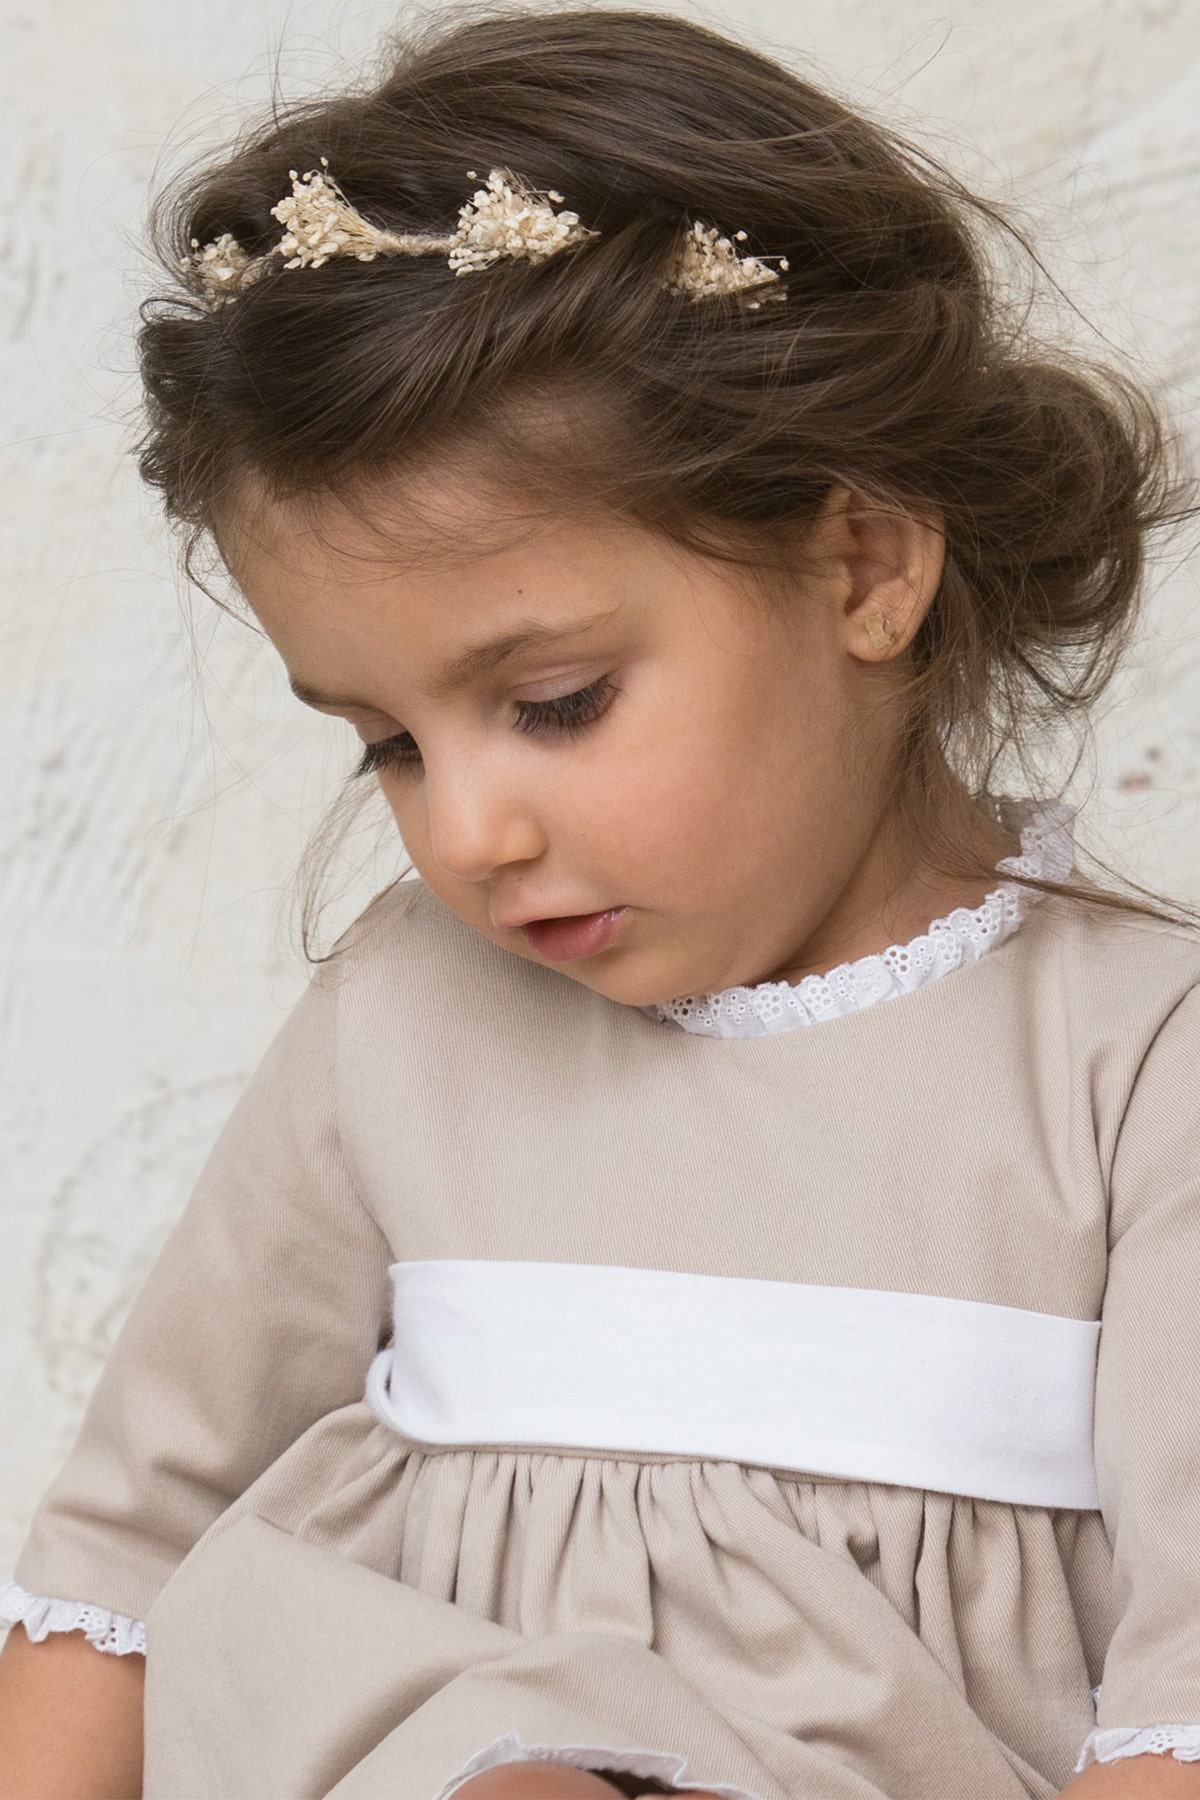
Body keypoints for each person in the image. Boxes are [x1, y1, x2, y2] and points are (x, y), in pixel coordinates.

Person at [2, 5, 1199, 1797]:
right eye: (385, 746)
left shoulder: (1132, 1066)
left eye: (553, 704)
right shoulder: (401, 1021)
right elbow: (115, 1574)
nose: (469, 830)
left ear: (862, 562)